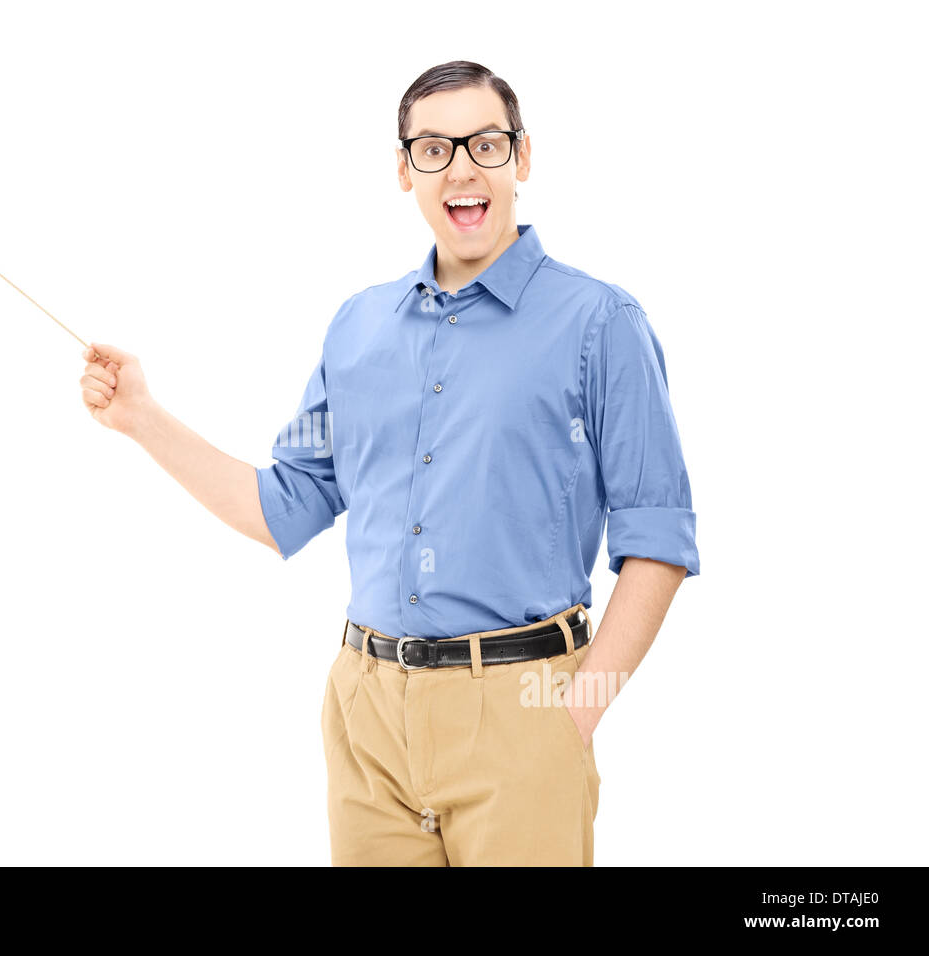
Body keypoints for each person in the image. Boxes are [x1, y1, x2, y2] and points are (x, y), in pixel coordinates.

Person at [76, 59, 699, 866]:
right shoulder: (358, 328)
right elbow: (283, 505)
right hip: (366, 714)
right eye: (434, 149)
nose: (463, 167)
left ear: (524, 157)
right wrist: (140, 417)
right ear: (404, 171)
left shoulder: (600, 322)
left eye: (485, 142)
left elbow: (658, 537)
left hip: (524, 709)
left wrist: (575, 712)